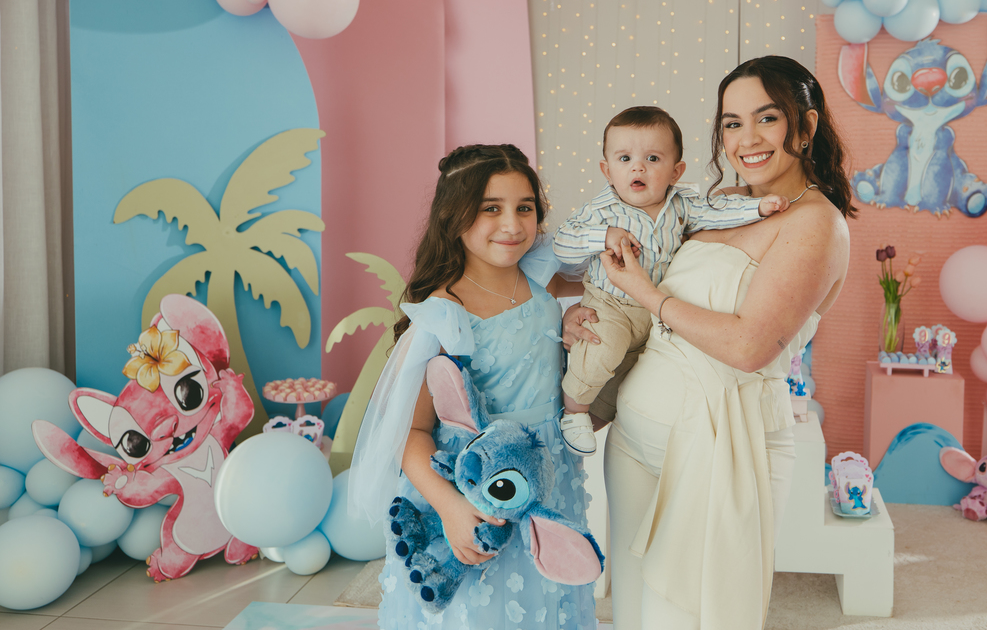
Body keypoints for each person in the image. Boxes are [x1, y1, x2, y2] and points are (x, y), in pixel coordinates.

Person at [566, 56, 856, 629]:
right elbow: (634, 275)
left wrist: (646, 294)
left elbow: (750, 346)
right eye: (731, 123)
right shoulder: (717, 205)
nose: (747, 139)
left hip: (723, 446)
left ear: (806, 125)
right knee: (631, 613)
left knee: (683, 616)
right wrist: (582, 305)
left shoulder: (815, 223)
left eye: (767, 118)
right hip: (634, 438)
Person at [349, 144, 597, 630]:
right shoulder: (446, 313)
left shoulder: (541, 277)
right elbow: (410, 433)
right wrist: (451, 508)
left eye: (525, 208)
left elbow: (612, 270)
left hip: (548, 476)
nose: (512, 224)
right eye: (491, 209)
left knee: (545, 603)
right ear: (455, 216)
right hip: (473, 488)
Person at [552, 106, 789, 457]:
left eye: (652, 158)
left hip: (653, 313)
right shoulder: (601, 211)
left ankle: (599, 414)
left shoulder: (682, 205)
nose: (638, 168)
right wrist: (603, 236)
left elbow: (717, 213)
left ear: (676, 171)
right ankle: (574, 413)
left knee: (629, 373)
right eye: (625, 158)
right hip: (611, 303)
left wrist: (757, 208)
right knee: (602, 350)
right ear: (607, 170)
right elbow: (562, 241)